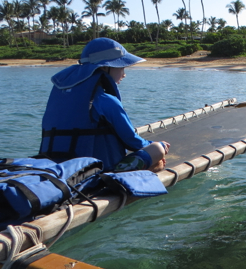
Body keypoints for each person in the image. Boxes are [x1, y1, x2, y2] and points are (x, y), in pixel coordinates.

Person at [39, 37, 169, 172]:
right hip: (96, 170)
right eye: (121, 68)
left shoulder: (60, 99)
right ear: (105, 67)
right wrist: (159, 145)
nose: (124, 74)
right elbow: (133, 142)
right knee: (157, 150)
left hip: (57, 166)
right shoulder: (106, 100)